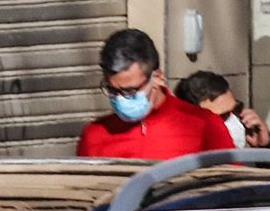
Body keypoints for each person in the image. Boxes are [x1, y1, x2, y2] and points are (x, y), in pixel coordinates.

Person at [76, 29, 232, 159]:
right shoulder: (94, 134)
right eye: (112, 90)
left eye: (130, 90)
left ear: (157, 77)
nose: (119, 98)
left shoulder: (204, 125)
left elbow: (231, 187)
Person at [173, 70, 270, 149]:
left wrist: (266, 147)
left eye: (236, 109)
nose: (234, 121)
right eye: (223, 116)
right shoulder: (176, 166)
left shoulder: (247, 160)